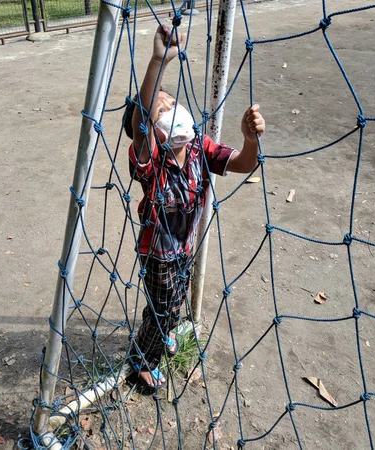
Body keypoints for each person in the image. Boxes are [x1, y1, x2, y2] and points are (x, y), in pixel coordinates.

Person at [122, 24, 266, 388]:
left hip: (186, 247)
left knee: (172, 301)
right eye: (160, 109)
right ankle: (142, 360)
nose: (168, 107)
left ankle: (164, 329)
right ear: (150, 130)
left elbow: (244, 164)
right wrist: (159, 60)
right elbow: (141, 118)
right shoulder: (150, 160)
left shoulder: (201, 147)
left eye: (171, 101)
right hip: (157, 251)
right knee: (163, 307)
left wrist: (251, 140)